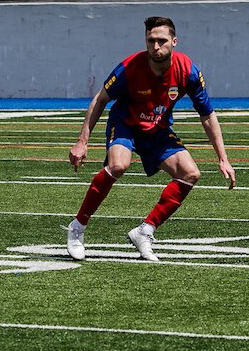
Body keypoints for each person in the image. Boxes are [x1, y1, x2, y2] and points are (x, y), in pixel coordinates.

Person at [66, 17, 236, 262]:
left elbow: (207, 114)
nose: (156, 46)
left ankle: (144, 231)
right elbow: (100, 99)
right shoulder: (129, 68)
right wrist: (82, 141)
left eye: (162, 41)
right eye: (151, 41)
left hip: (157, 129)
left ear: (174, 42)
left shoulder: (187, 70)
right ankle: (77, 227)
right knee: (118, 166)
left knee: (190, 174)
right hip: (126, 123)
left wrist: (223, 159)